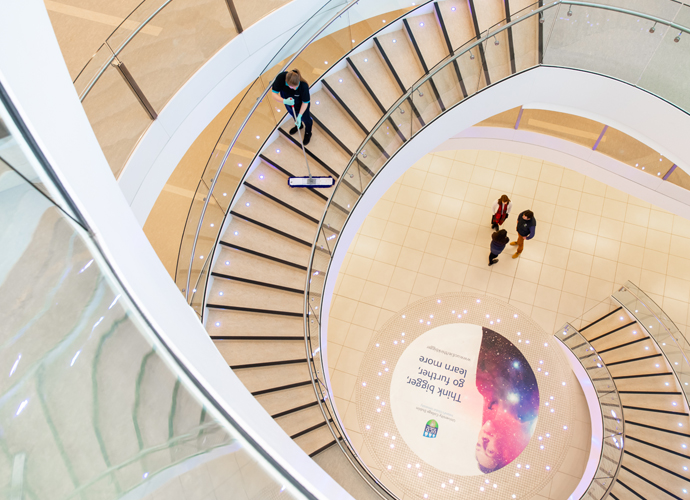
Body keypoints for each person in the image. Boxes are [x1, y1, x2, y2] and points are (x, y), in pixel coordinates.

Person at [271, 69, 313, 145]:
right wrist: (284, 101)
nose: (294, 89)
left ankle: (308, 132)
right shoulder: (281, 78)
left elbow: (305, 102)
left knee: (306, 119)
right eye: (292, 87)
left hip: (301, 105)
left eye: (296, 87)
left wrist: (300, 116)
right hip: (288, 103)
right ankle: (299, 126)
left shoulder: (303, 86)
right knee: (293, 115)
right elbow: (274, 94)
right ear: (286, 83)